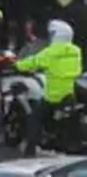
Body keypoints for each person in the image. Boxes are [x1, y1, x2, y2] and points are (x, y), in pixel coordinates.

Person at [17, 19, 84, 156]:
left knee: (35, 118)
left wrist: (16, 65)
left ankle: (30, 151)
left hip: (53, 97)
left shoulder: (50, 52)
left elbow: (33, 62)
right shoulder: (76, 51)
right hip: (70, 94)